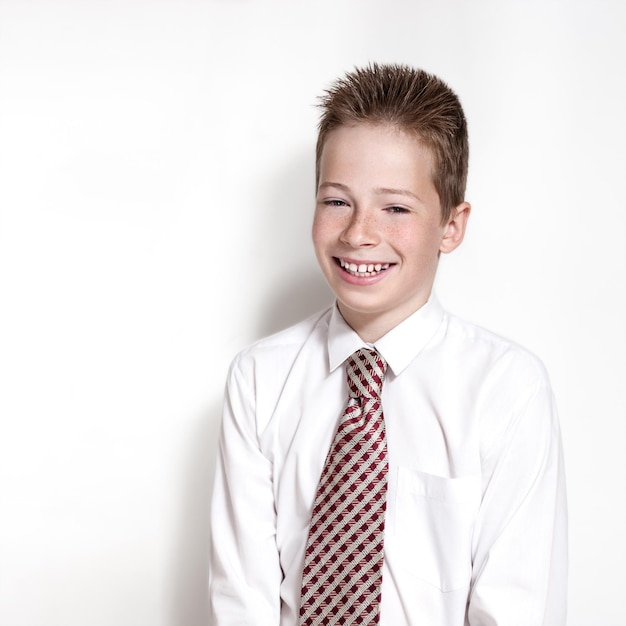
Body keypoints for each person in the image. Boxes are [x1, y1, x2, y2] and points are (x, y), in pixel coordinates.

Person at [208, 63, 567, 625]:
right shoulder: (259, 378)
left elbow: (513, 607)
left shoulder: (506, 388)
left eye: (395, 208)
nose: (358, 233)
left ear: (452, 225)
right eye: (336, 201)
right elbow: (242, 597)